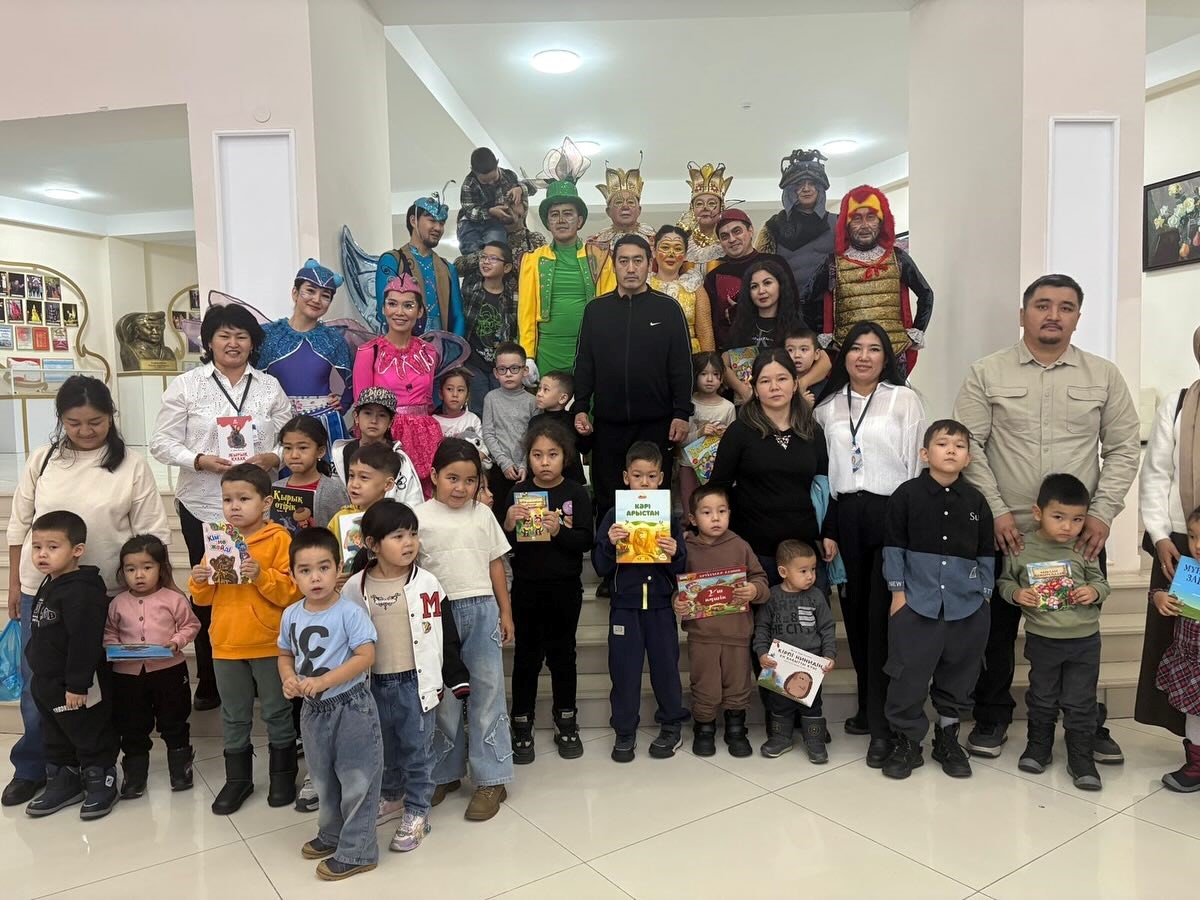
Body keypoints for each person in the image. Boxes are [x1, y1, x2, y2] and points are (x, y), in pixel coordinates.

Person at [953, 273, 1140, 762]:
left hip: (1075, 536)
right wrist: (995, 511)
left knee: (1076, 632)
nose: (1053, 315)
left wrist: (1102, 513)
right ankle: (992, 715)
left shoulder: (1103, 375)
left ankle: (1085, 722)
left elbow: (1123, 448)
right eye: (1042, 305)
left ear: (1078, 317)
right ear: (1023, 314)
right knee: (996, 632)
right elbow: (969, 447)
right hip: (1007, 531)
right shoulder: (987, 372)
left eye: (1065, 307)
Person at [4, 375, 170, 808]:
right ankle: (36, 767)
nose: (85, 431)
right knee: (40, 682)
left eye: (95, 422)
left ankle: (97, 765)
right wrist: (15, 584)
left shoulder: (130, 465)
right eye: (74, 423)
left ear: (111, 417)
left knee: (97, 685)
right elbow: (20, 524)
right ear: (61, 420)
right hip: (42, 590)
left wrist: (153, 591)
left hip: (108, 594)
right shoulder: (44, 460)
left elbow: (152, 532)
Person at [151, 303, 293, 712]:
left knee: (258, 581)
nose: (233, 343)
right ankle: (212, 678)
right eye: (224, 335)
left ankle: (260, 671)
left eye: (242, 336)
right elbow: (161, 442)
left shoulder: (269, 387)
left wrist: (274, 457)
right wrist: (198, 460)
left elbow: (289, 437)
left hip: (257, 510)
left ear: (252, 343)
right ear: (209, 341)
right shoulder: (187, 385)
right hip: (204, 503)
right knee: (210, 588)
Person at [814, 321, 925, 767]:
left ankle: (884, 726)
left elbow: (915, 465)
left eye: (874, 349)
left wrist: (909, 527)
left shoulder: (904, 399)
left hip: (891, 513)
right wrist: (829, 527)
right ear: (843, 356)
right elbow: (825, 474)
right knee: (857, 618)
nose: (864, 356)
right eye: (856, 348)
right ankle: (866, 707)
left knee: (883, 621)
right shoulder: (826, 408)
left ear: (886, 357)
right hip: (846, 516)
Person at [339, 501, 468, 853]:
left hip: (416, 683)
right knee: (385, 749)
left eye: (412, 534)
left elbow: (446, 632)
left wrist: (456, 676)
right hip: (373, 685)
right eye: (398, 536)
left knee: (417, 751)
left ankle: (417, 811)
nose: (409, 542)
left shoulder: (427, 582)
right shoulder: (355, 588)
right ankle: (393, 796)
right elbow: (345, 637)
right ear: (372, 543)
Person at [880, 420, 995, 780]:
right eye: (943, 444)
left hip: (967, 606)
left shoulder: (976, 501)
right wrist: (898, 593)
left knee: (959, 675)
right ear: (924, 453)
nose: (951, 450)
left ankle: (947, 739)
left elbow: (986, 554)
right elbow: (894, 547)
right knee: (908, 675)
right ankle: (907, 741)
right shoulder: (906, 495)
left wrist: (985, 597)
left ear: (968, 458)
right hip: (916, 602)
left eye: (959, 446)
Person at [187, 464, 302, 815]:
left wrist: (261, 575)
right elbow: (203, 599)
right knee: (234, 715)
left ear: (266, 503)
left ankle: (283, 776)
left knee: (276, 711)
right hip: (226, 644)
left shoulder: (279, 539)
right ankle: (237, 779)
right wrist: (199, 579)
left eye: (243, 499)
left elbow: (293, 592)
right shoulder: (217, 540)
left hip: (269, 643)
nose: (234, 506)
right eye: (227, 500)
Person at [416, 439, 514, 822]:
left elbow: (495, 565)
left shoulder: (483, 515)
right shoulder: (418, 517)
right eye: (452, 478)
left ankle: (492, 778)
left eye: (470, 480)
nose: (461, 487)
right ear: (433, 475)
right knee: (442, 697)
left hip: (482, 610)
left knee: (487, 693)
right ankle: (444, 773)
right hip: (437, 616)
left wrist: (506, 612)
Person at [278, 528, 381, 882]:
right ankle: (332, 833)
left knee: (357, 780)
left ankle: (358, 851)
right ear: (292, 574)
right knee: (322, 779)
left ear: (338, 568)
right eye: (305, 570)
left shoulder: (349, 613)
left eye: (323, 567)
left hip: (351, 707)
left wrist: (324, 681)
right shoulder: (291, 614)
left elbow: (366, 656)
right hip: (312, 710)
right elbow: (285, 653)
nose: (315, 577)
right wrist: (288, 678)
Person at [997, 474, 1109, 792]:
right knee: (1042, 696)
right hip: (1043, 638)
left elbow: (1102, 583)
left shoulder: (1083, 547)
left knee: (1081, 699)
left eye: (1077, 519)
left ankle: (1081, 756)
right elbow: (1005, 582)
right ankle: (1039, 746)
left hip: (1085, 639)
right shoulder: (1021, 548)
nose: (1067, 527)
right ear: (1038, 513)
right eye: (1058, 517)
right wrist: (1017, 594)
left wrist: (1093, 591)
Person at [573, 234, 694, 526]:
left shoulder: (668, 308)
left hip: (656, 424)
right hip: (608, 425)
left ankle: (654, 557)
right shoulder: (596, 310)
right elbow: (584, 364)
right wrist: (580, 407)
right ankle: (609, 556)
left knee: (652, 502)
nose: (630, 268)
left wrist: (682, 413)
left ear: (649, 264)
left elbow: (682, 365)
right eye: (623, 261)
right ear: (614, 265)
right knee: (609, 501)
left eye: (637, 260)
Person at [504, 418, 594, 763]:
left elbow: (585, 541)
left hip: (565, 588)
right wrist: (508, 524)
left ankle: (566, 718)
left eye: (552, 454)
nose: (544, 462)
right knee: (526, 657)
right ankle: (521, 722)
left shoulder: (576, 493)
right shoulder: (518, 493)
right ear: (528, 457)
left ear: (565, 457)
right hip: (526, 587)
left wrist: (560, 531)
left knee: (563, 655)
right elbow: (506, 546)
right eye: (537, 455)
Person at [593, 441, 689, 762]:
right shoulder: (613, 516)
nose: (644, 483)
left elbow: (681, 569)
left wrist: (675, 553)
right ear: (626, 477)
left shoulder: (669, 517)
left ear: (660, 478)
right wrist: (610, 544)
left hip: (660, 607)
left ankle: (671, 725)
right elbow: (600, 567)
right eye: (637, 476)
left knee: (666, 669)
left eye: (650, 476)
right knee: (624, 671)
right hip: (625, 607)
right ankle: (624, 731)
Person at [22, 511, 119, 820]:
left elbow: (85, 641)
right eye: (37, 547)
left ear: (77, 550)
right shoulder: (51, 582)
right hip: (47, 681)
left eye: (52, 547)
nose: (42, 554)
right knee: (55, 734)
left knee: (87, 732)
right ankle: (65, 780)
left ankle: (100, 778)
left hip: (76, 685)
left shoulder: (83, 591)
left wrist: (78, 684)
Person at [710, 349, 834, 583]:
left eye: (782, 379)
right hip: (754, 552)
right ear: (755, 389)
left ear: (795, 384)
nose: (774, 387)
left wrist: (829, 532)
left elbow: (827, 484)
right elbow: (718, 487)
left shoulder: (811, 430)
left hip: (803, 553)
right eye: (765, 381)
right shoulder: (739, 432)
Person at [1136, 325, 1200, 736]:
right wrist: (1160, 535)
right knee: (1183, 642)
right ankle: (1192, 750)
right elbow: (1156, 474)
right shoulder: (1178, 405)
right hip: (1184, 543)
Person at [674, 483, 770, 757]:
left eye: (722, 511)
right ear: (693, 518)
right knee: (705, 683)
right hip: (702, 635)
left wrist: (753, 590)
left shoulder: (740, 545)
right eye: (707, 512)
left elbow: (761, 580)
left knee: (738, 682)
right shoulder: (686, 549)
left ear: (729, 513)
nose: (715, 518)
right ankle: (704, 727)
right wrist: (677, 601)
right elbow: (676, 586)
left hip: (737, 633)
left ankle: (736, 728)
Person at [104, 535, 200, 799]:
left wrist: (176, 642)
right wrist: (114, 647)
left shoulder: (173, 599)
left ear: (161, 568)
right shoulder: (118, 603)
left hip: (169, 671)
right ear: (122, 572)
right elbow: (109, 631)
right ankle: (135, 775)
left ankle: (180, 768)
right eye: (130, 569)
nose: (139, 575)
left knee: (174, 719)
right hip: (128, 676)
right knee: (132, 723)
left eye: (147, 567)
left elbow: (191, 625)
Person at [800, 185, 933, 374]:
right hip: (849, 358)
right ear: (846, 224)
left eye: (871, 217)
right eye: (856, 218)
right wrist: (822, 337)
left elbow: (926, 294)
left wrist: (916, 332)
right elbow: (805, 301)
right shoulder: (832, 263)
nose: (864, 225)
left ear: (881, 221)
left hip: (894, 356)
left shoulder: (898, 258)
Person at [353, 273, 443, 498]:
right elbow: (361, 407)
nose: (399, 312)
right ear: (383, 309)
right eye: (392, 304)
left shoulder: (430, 352)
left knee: (422, 501)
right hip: (385, 437)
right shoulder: (368, 352)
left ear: (420, 311)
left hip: (424, 439)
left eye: (408, 305)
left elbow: (428, 401)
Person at [754, 540, 837, 763]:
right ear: (783, 572)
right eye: (803, 571)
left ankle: (815, 740)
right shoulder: (772, 596)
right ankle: (781, 738)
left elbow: (827, 627)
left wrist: (829, 655)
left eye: (813, 569)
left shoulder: (816, 596)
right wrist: (762, 653)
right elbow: (762, 628)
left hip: (811, 665)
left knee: (812, 704)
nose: (810, 576)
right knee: (779, 704)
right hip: (779, 665)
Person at [259, 259, 354, 455]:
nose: (317, 299)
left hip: (322, 425)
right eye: (310, 291)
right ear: (295, 293)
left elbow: (354, 381)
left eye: (325, 295)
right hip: (279, 423)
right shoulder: (268, 335)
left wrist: (343, 403)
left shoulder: (333, 340)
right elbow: (249, 377)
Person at [517, 178, 611, 374]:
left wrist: (610, 350)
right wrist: (528, 355)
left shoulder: (599, 256)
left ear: (580, 220)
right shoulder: (532, 259)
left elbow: (611, 308)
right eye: (554, 214)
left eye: (568, 214)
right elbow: (526, 311)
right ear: (547, 222)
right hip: (548, 350)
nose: (561, 220)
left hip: (591, 349)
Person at [1150, 507, 1200, 792]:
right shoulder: (1189, 571)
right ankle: (1197, 765)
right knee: (1195, 716)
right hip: (1191, 663)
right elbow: (1159, 591)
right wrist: (1159, 597)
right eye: (1192, 536)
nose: (1197, 545)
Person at [702, 210, 796, 352]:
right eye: (724, 236)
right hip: (734, 355)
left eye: (737, 231)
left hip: (778, 351)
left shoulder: (775, 263)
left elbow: (791, 307)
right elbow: (713, 325)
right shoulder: (714, 276)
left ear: (750, 230)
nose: (732, 239)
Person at [375, 194, 464, 336]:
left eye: (442, 223)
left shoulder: (448, 268)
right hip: (402, 344)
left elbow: (458, 316)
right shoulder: (392, 260)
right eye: (432, 220)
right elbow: (384, 311)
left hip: (440, 345)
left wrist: (453, 347)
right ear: (413, 221)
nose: (438, 227)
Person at [755, 149, 838, 297]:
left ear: (819, 188)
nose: (806, 189)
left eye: (812, 183)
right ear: (791, 189)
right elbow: (760, 272)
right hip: (787, 304)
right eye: (800, 184)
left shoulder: (838, 223)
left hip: (828, 304)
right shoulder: (773, 226)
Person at [722, 258, 804, 403]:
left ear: (780, 285)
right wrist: (744, 391)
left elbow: (823, 361)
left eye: (767, 283)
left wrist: (802, 384)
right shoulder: (741, 324)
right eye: (754, 286)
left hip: (784, 403)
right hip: (747, 405)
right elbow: (722, 363)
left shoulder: (794, 324)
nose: (761, 291)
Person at [331, 388, 423, 509]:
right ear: (356, 417)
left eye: (382, 415)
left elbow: (412, 502)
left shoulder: (399, 458)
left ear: (390, 422)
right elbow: (334, 497)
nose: (374, 421)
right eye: (368, 413)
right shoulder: (342, 453)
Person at [328, 444, 405, 580]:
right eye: (351, 476)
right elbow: (327, 555)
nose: (354, 484)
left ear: (388, 484)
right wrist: (334, 576)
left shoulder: (396, 518)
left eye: (364, 477)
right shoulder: (340, 518)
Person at [460, 242, 517, 416]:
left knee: (501, 411)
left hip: (500, 366)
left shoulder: (512, 297)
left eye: (493, 258)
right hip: (474, 364)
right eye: (483, 257)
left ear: (506, 267)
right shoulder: (470, 291)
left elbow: (514, 332)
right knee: (478, 410)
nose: (485, 262)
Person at [483, 341, 538, 518]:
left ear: (525, 370)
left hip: (526, 469)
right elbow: (488, 433)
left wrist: (524, 465)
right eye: (502, 369)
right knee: (500, 515)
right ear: (495, 373)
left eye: (514, 368)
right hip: (499, 468)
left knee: (527, 518)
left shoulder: (533, 401)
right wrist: (504, 462)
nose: (508, 374)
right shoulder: (491, 398)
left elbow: (534, 437)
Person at [680, 351, 735, 515]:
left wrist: (724, 435)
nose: (710, 379)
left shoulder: (728, 407)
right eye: (703, 374)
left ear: (722, 377)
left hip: (714, 468)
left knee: (712, 509)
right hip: (688, 466)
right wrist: (700, 433)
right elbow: (680, 440)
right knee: (688, 509)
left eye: (715, 374)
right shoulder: (688, 404)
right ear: (695, 376)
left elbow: (733, 444)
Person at [587, 157, 657, 286]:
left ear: (639, 210)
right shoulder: (596, 243)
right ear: (608, 211)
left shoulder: (654, 239)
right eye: (619, 202)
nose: (625, 206)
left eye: (630, 202)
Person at [275, 415, 351, 530]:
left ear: (320, 451)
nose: (294, 455)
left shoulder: (334, 490)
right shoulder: (276, 488)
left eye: (303, 448)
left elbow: (345, 531)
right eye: (288, 448)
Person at [456, 147, 536, 254]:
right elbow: (470, 211)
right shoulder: (468, 184)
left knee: (496, 246)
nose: (491, 183)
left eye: (494, 178)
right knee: (471, 247)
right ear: (473, 170)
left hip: (494, 222)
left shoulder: (509, 176)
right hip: (470, 223)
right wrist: (489, 212)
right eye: (485, 181)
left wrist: (520, 188)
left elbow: (533, 187)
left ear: (497, 164)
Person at [650, 225, 715, 353]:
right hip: (650, 354)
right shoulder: (643, 285)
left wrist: (709, 361)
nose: (671, 254)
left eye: (678, 249)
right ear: (654, 251)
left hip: (689, 356)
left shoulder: (694, 286)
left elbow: (705, 332)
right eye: (665, 247)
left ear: (685, 255)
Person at [531, 369, 589, 485]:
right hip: (543, 481)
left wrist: (585, 434)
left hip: (572, 481)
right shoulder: (534, 422)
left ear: (562, 398)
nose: (539, 394)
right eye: (539, 389)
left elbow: (585, 448)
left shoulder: (573, 421)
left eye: (545, 390)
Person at [678, 161, 734, 270]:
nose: (705, 208)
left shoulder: (730, 240)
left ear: (721, 207)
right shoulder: (682, 242)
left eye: (711, 203)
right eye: (699, 204)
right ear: (692, 208)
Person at [784, 326, 829, 405]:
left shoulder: (825, 388)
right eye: (790, 350)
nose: (797, 355)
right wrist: (801, 405)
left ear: (816, 354)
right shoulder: (780, 383)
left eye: (803, 349)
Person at [434, 367, 483, 439]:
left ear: (467, 396)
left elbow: (481, 445)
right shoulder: (433, 422)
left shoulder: (473, 420)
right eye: (449, 389)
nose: (455, 394)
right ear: (441, 394)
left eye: (460, 390)